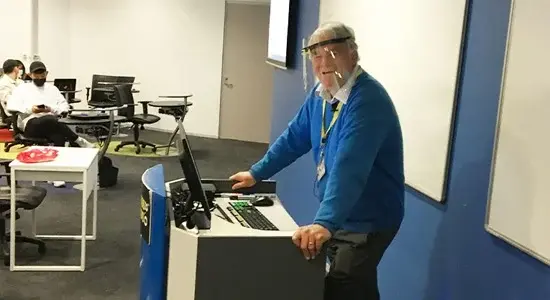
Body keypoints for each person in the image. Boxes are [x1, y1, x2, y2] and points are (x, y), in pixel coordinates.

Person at [230, 22, 404, 300]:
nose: (323, 64)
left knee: (343, 284)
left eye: (332, 53)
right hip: (342, 212)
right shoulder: (322, 95)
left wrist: (324, 222)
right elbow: (294, 137)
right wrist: (256, 173)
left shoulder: (367, 101)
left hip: (368, 218)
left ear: (353, 54)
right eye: (316, 55)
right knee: (353, 285)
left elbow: (351, 167)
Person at [7, 61, 95, 187]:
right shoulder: (22, 89)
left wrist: (51, 109)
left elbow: (64, 106)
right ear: (30, 75)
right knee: (51, 121)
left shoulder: (52, 89)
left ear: (46, 74)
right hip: (31, 123)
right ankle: (77, 139)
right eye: (36, 75)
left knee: (57, 135)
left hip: (50, 122)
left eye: (42, 74)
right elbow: (11, 106)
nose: (39, 77)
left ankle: (55, 175)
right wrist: (31, 109)